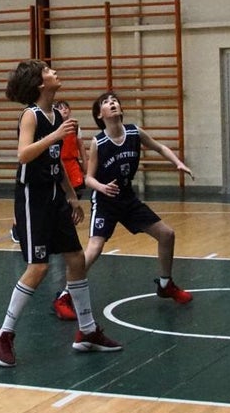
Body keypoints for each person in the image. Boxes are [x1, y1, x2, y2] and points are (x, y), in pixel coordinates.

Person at [0, 60, 122, 369]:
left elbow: (54, 160)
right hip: (33, 198)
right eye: (48, 70)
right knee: (39, 267)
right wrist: (56, 134)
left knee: (76, 260)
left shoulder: (54, 115)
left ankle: (87, 331)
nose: (54, 71)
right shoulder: (31, 116)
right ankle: (2, 334)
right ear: (38, 83)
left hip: (55, 195)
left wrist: (72, 196)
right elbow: (23, 154)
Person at [80, 91, 195, 307]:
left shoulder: (134, 132)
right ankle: (66, 294)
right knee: (94, 248)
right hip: (105, 201)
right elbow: (88, 178)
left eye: (115, 101)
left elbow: (159, 147)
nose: (112, 103)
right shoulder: (99, 141)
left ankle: (165, 284)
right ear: (99, 114)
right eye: (106, 102)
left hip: (127, 198)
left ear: (121, 109)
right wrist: (102, 188)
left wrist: (177, 162)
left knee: (167, 234)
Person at [49, 99, 87, 319]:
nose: (64, 110)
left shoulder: (75, 126)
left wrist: (85, 162)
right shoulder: (52, 127)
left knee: (75, 198)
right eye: (60, 107)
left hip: (71, 165)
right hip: (57, 167)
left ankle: (68, 225)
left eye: (66, 107)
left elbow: (81, 145)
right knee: (61, 203)